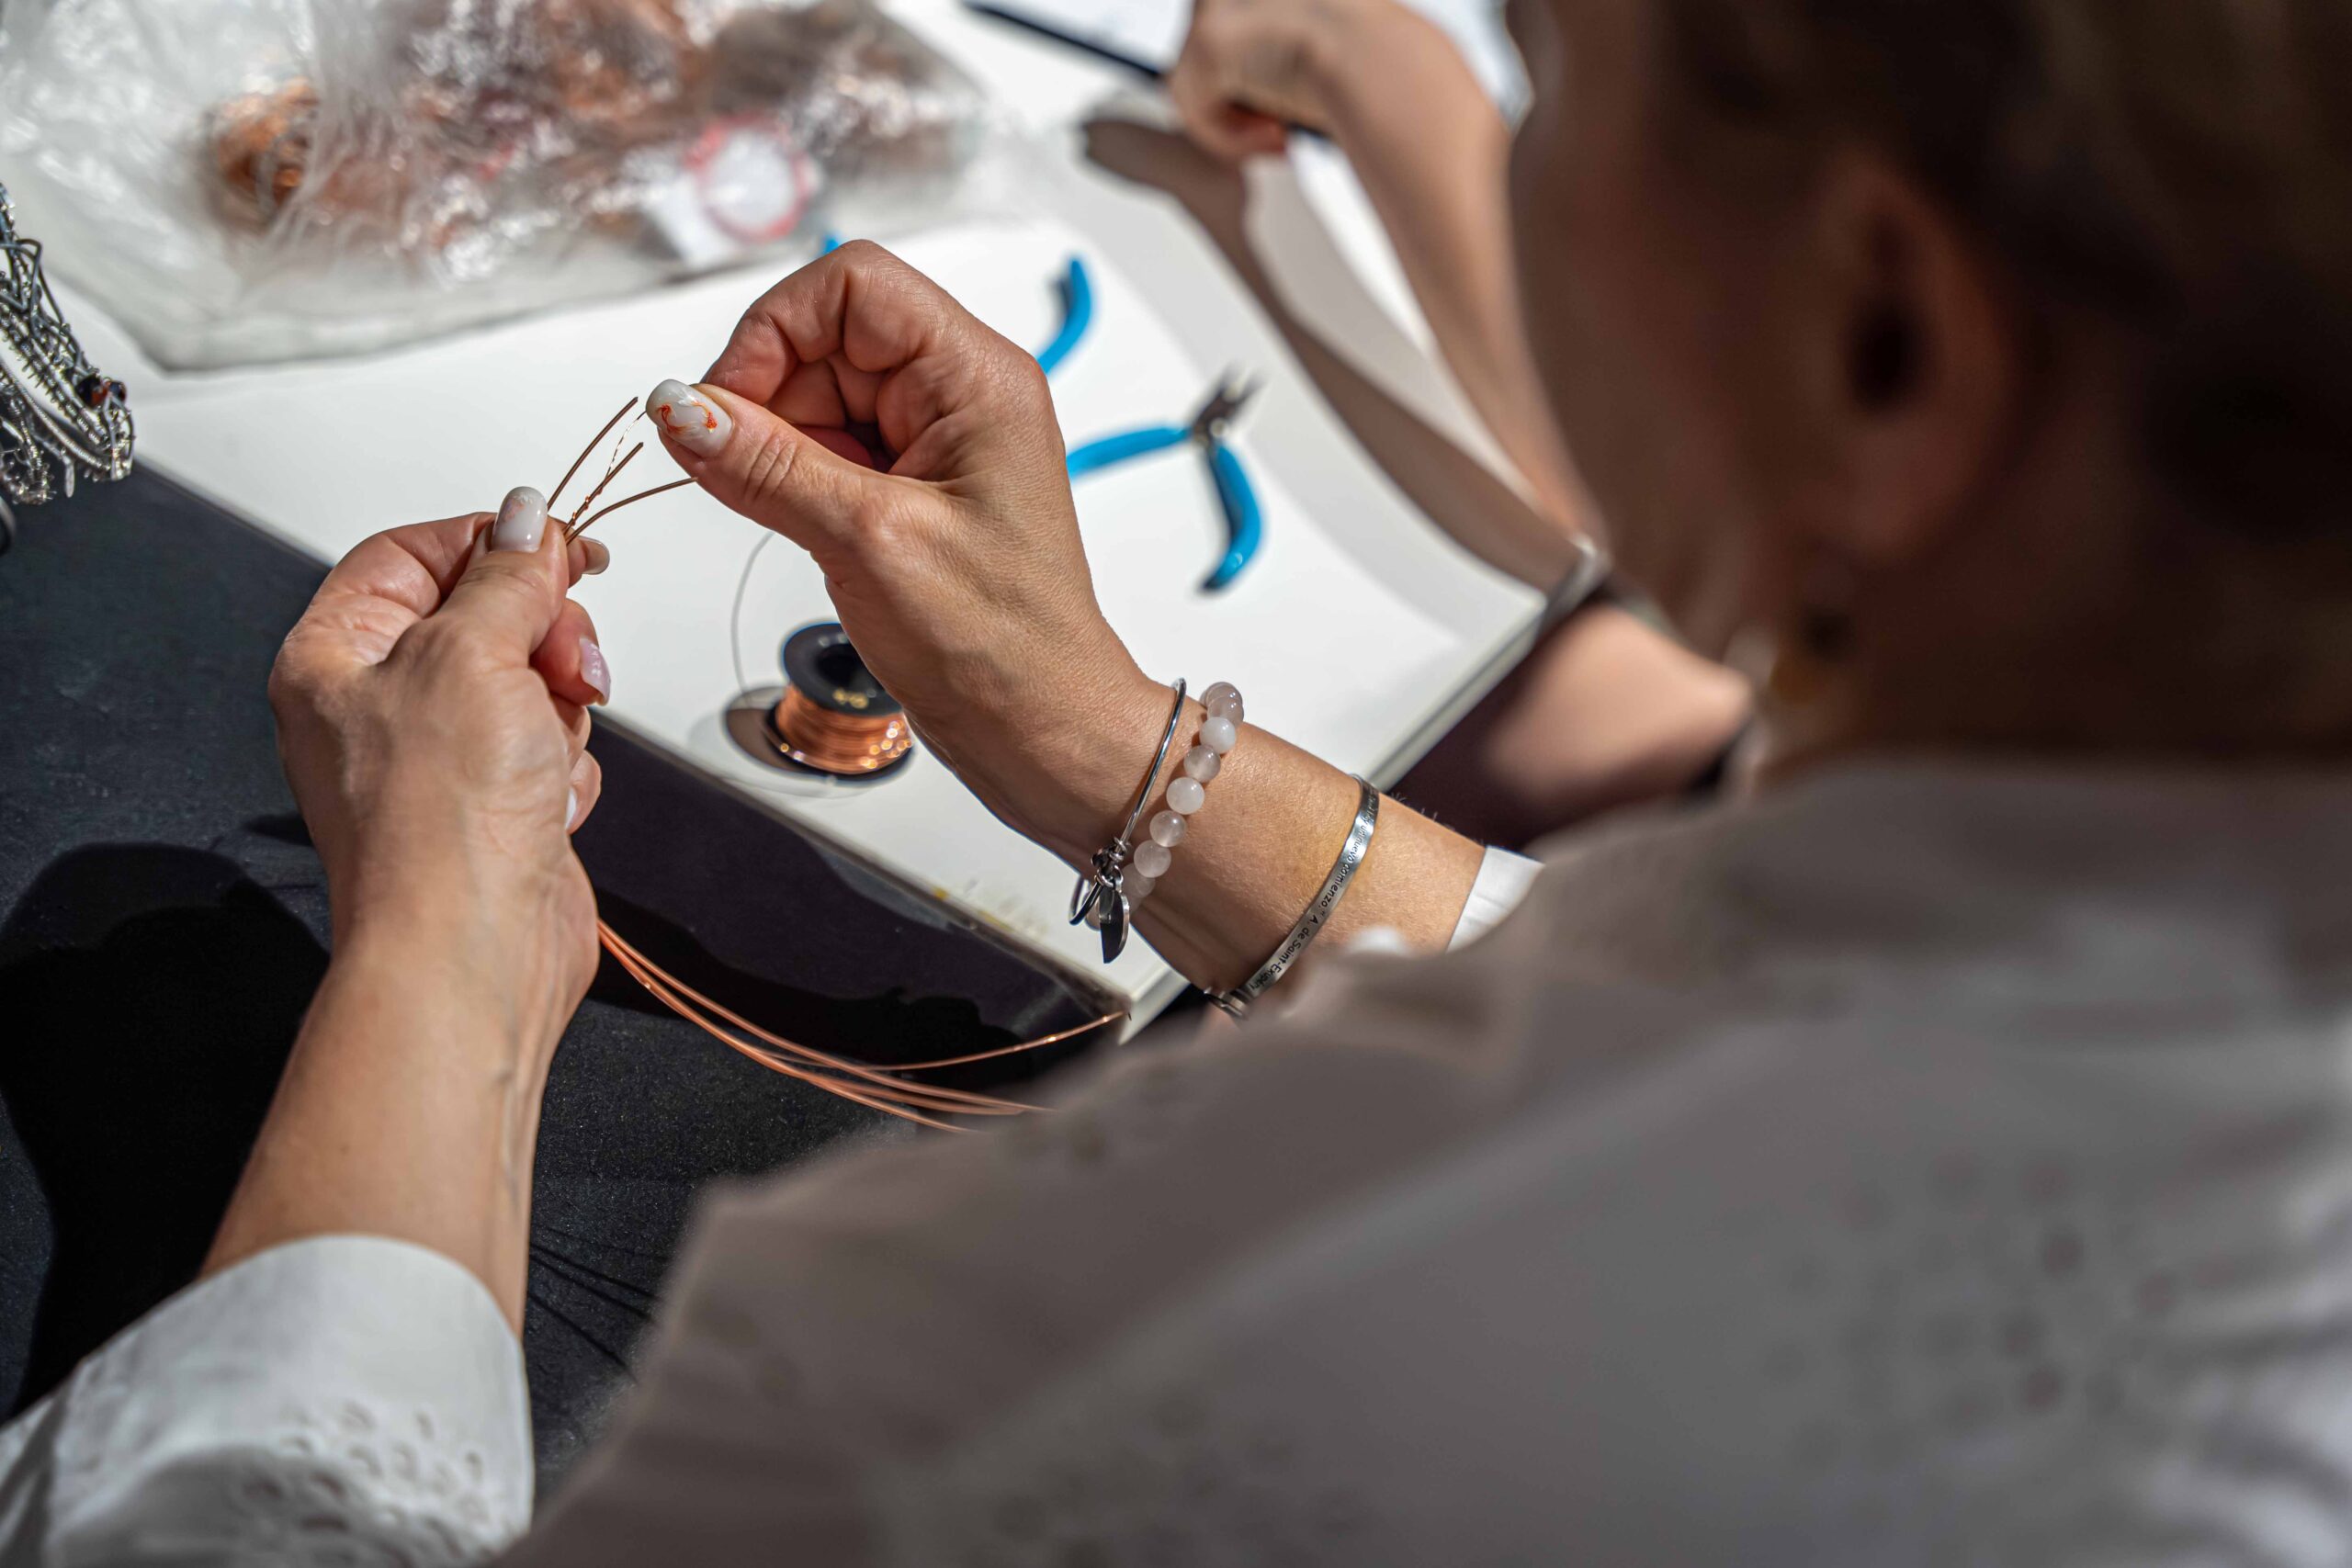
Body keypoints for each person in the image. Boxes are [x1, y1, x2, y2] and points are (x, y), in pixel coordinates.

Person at [9, 0, 2352, 1560]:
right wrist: (1107, 744)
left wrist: (440, 947)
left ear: (1887, 337)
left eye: (1545, 76)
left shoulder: (1151, 1350)